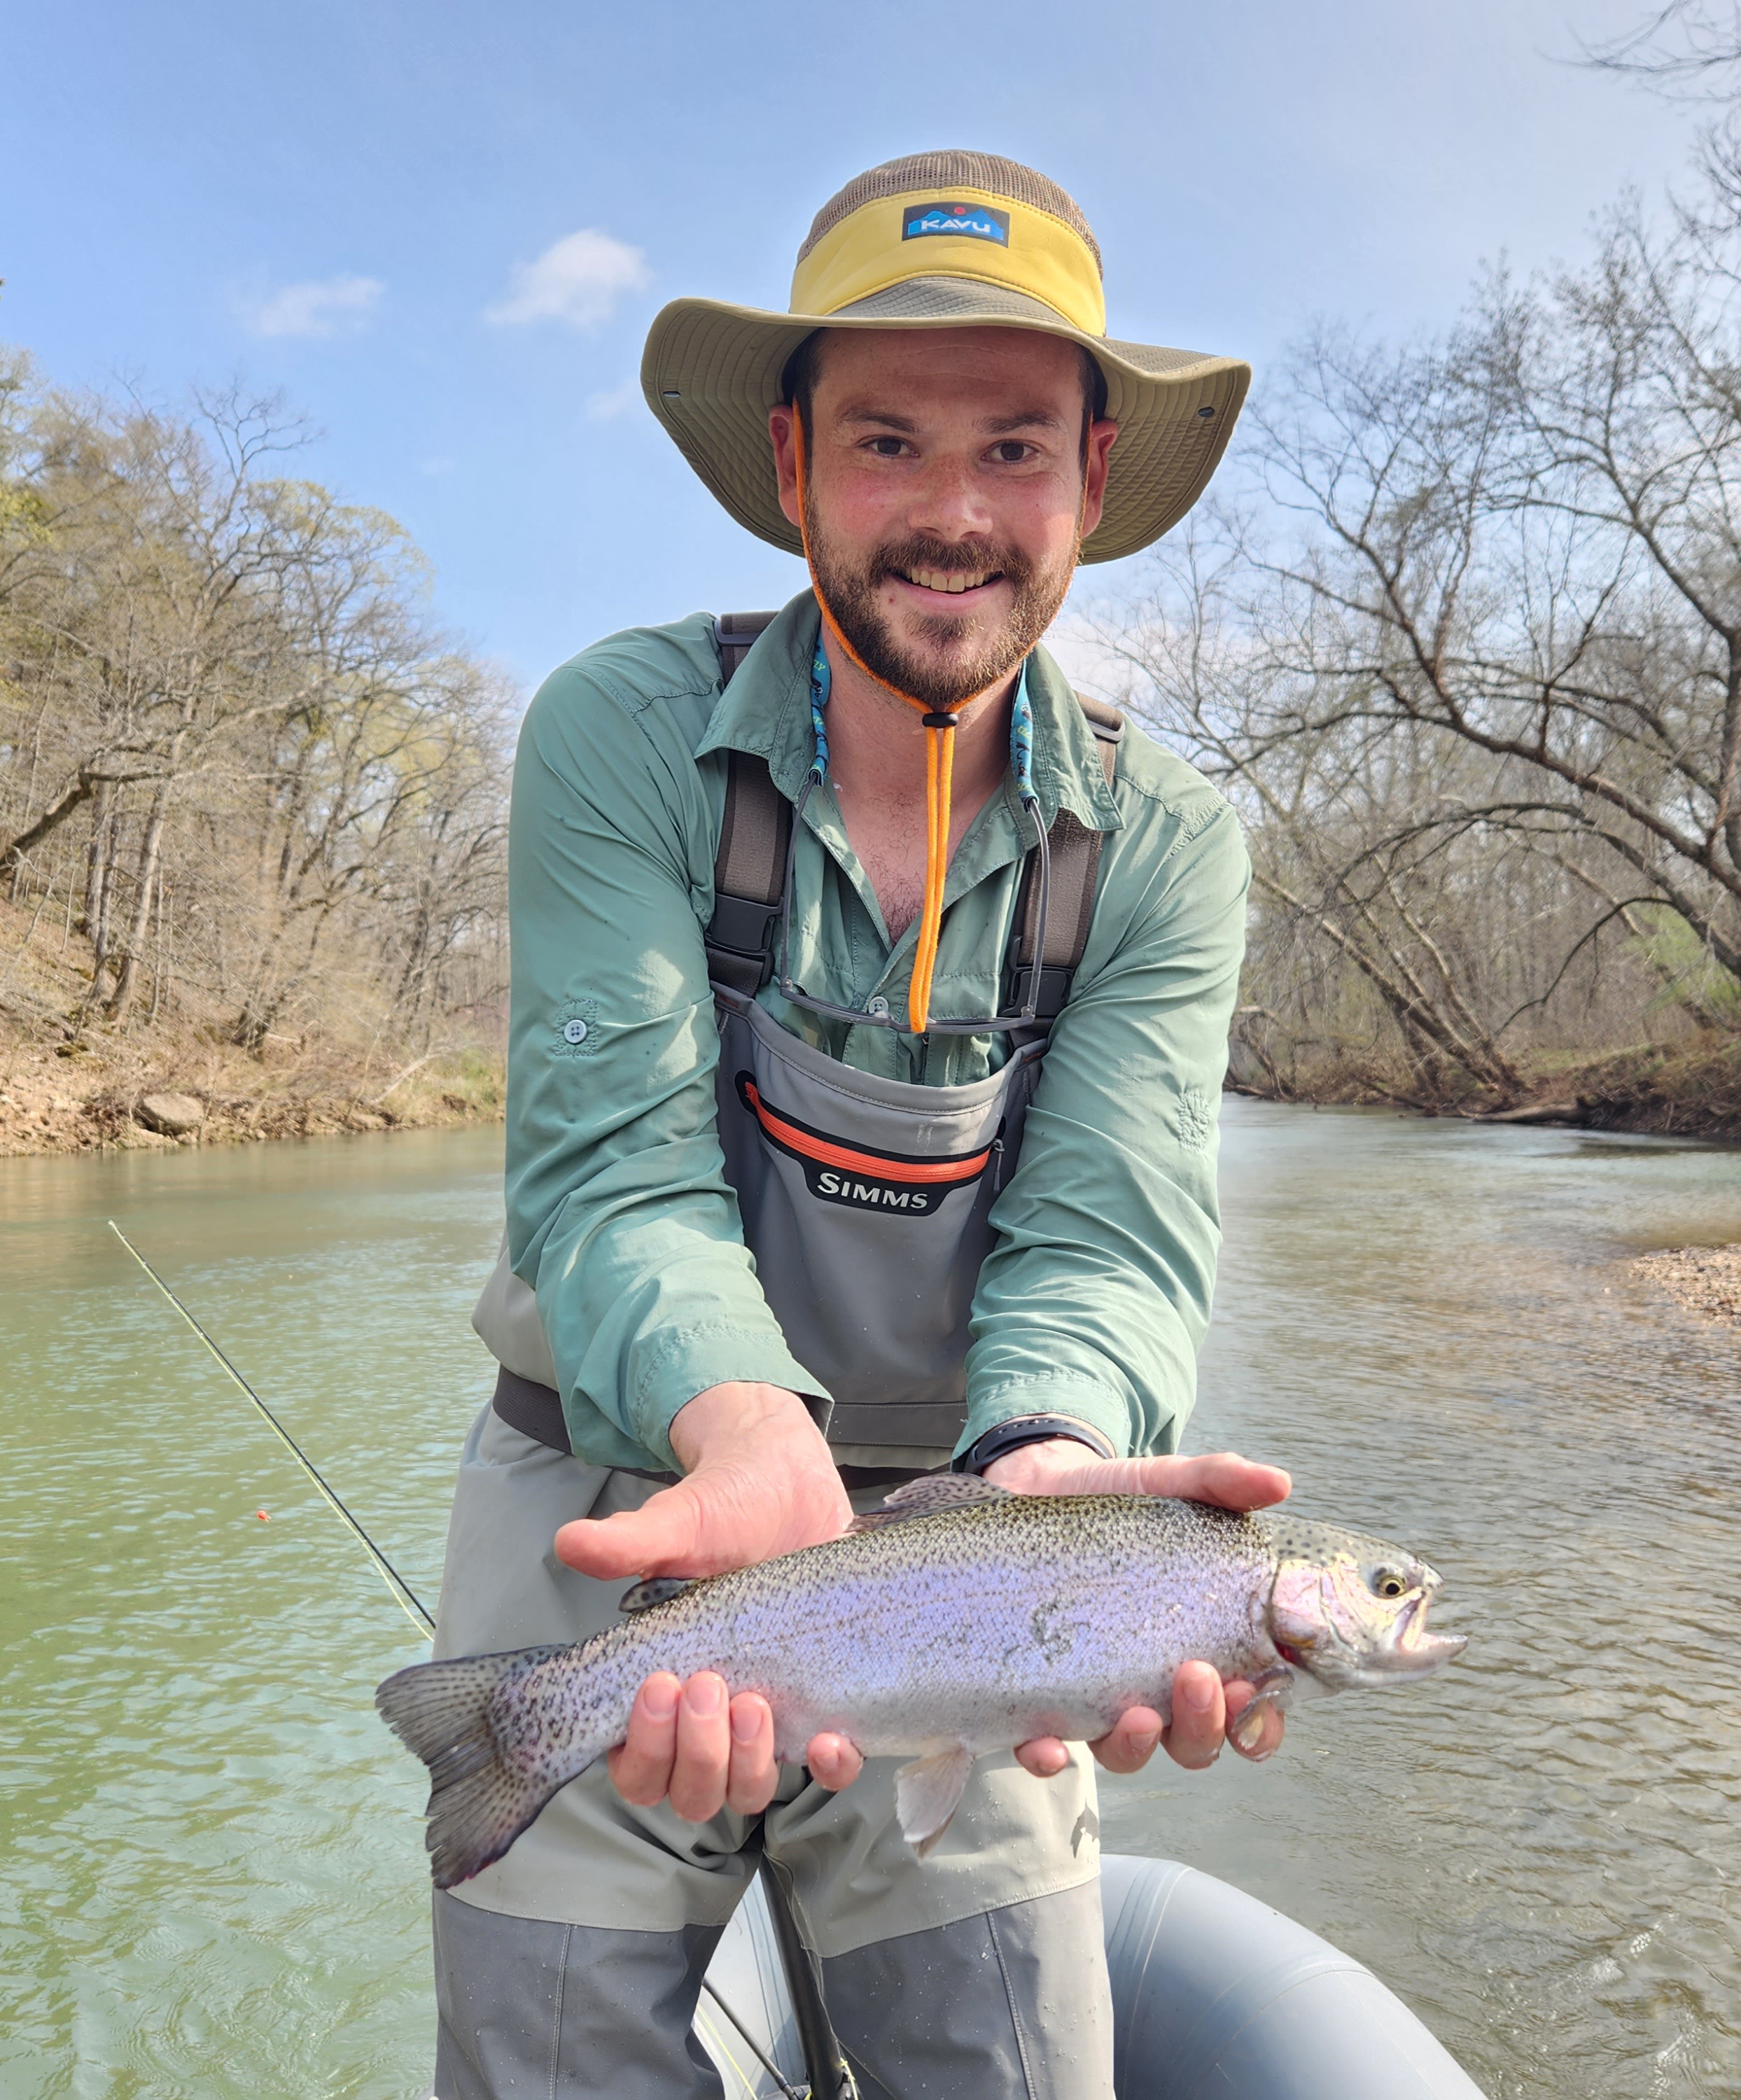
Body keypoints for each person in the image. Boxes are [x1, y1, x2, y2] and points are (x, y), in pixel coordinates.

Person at [435, 150, 1290, 2100]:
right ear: (796, 466)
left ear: (1091, 481)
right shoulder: (621, 734)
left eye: (1015, 448)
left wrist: (1061, 1463)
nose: (955, 514)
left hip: (984, 1539)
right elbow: (614, 1165)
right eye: (890, 440)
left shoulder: (1167, 845)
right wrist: (742, 1429)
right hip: (612, 1497)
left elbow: (1109, 1232)